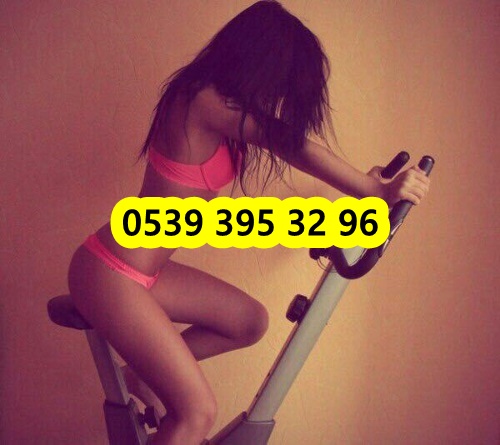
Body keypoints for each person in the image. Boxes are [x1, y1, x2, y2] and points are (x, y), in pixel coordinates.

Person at [68, 1, 430, 444]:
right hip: (110, 271)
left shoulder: (221, 115)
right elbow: (292, 145)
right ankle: (157, 386)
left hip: (146, 273)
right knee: (196, 412)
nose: (276, 95)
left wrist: (365, 190)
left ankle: (143, 377)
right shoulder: (199, 99)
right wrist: (371, 190)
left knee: (249, 320)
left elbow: (286, 144)